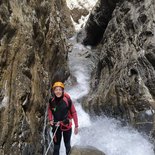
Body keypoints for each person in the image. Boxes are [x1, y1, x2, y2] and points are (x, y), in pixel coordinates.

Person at [48, 81, 79, 155]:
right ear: (53, 91)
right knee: (56, 147)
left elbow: (74, 112)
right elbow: (50, 110)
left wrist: (76, 126)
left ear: (62, 90)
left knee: (67, 146)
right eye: (56, 90)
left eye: (59, 89)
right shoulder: (52, 101)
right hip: (56, 126)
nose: (58, 91)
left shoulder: (67, 101)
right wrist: (50, 119)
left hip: (66, 126)